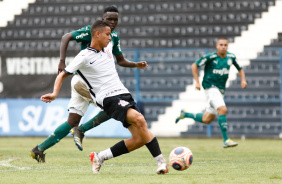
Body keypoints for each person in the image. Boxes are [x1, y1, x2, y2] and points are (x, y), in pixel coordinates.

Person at [41, 20, 168, 174]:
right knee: (139, 119)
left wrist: (136, 64)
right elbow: (62, 75)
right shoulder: (84, 56)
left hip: (123, 93)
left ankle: (100, 157)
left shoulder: (108, 47)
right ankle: (161, 163)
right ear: (97, 34)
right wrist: (54, 93)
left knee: (140, 137)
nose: (110, 37)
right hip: (108, 98)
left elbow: (121, 59)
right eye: (107, 34)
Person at [30, 5, 148, 162]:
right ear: (102, 19)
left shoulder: (113, 37)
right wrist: (62, 61)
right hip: (84, 82)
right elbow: (66, 37)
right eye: (109, 19)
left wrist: (135, 64)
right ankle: (82, 130)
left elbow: (120, 60)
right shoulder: (93, 31)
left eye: (115, 20)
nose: (112, 22)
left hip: (82, 82)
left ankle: (39, 149)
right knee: (113, 108)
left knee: (72, 121)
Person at [175, 37, 247, 148]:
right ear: (217, 46)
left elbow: (240, 69)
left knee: (206, 119)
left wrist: (243, 80)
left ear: (227, 46)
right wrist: (197, 82)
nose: (223, 47)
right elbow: (194, 65)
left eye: (225, 45)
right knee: (223, 109)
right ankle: (226, 139)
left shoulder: (231, 57)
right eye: (221, 45)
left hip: (220, 90)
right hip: (210, 88)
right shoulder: (210, 57)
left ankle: (185, 114)